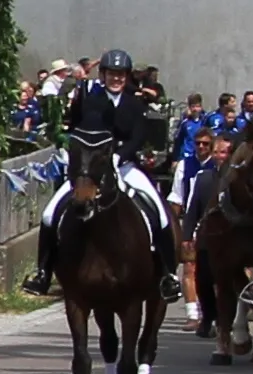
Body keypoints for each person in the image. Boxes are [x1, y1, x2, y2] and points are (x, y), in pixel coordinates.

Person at [28, 48, 169, 295]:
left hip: (123, 166)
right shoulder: (91, 99)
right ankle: (43, 273)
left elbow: (138, 137)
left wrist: (118, 156)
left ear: (127, 76)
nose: (116, 78)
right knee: (50, 214)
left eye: (121, 74)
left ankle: (167, 274)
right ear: (103, 75)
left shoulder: (134, 103)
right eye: (111, 74)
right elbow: (79, 129)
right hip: (89, 169)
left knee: (160, 212)